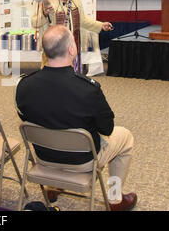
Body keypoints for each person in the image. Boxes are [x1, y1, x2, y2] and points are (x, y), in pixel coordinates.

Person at [15, 25, 137, 211]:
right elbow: (107, 129)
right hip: (83, 160)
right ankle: (115, 200)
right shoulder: (88, 89)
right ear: (72, 50)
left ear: (45, 51)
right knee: (125, 136)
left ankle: (53, 187)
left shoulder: (23, 86)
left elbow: (26, 118)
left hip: (44, 156)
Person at [32, 0, 113, 73]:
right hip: (53, 47)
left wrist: (101, 25)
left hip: (72, 45)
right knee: (53, 78)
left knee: (71, 77)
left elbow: (83, 21)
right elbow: (35, 23)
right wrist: (44, 14)